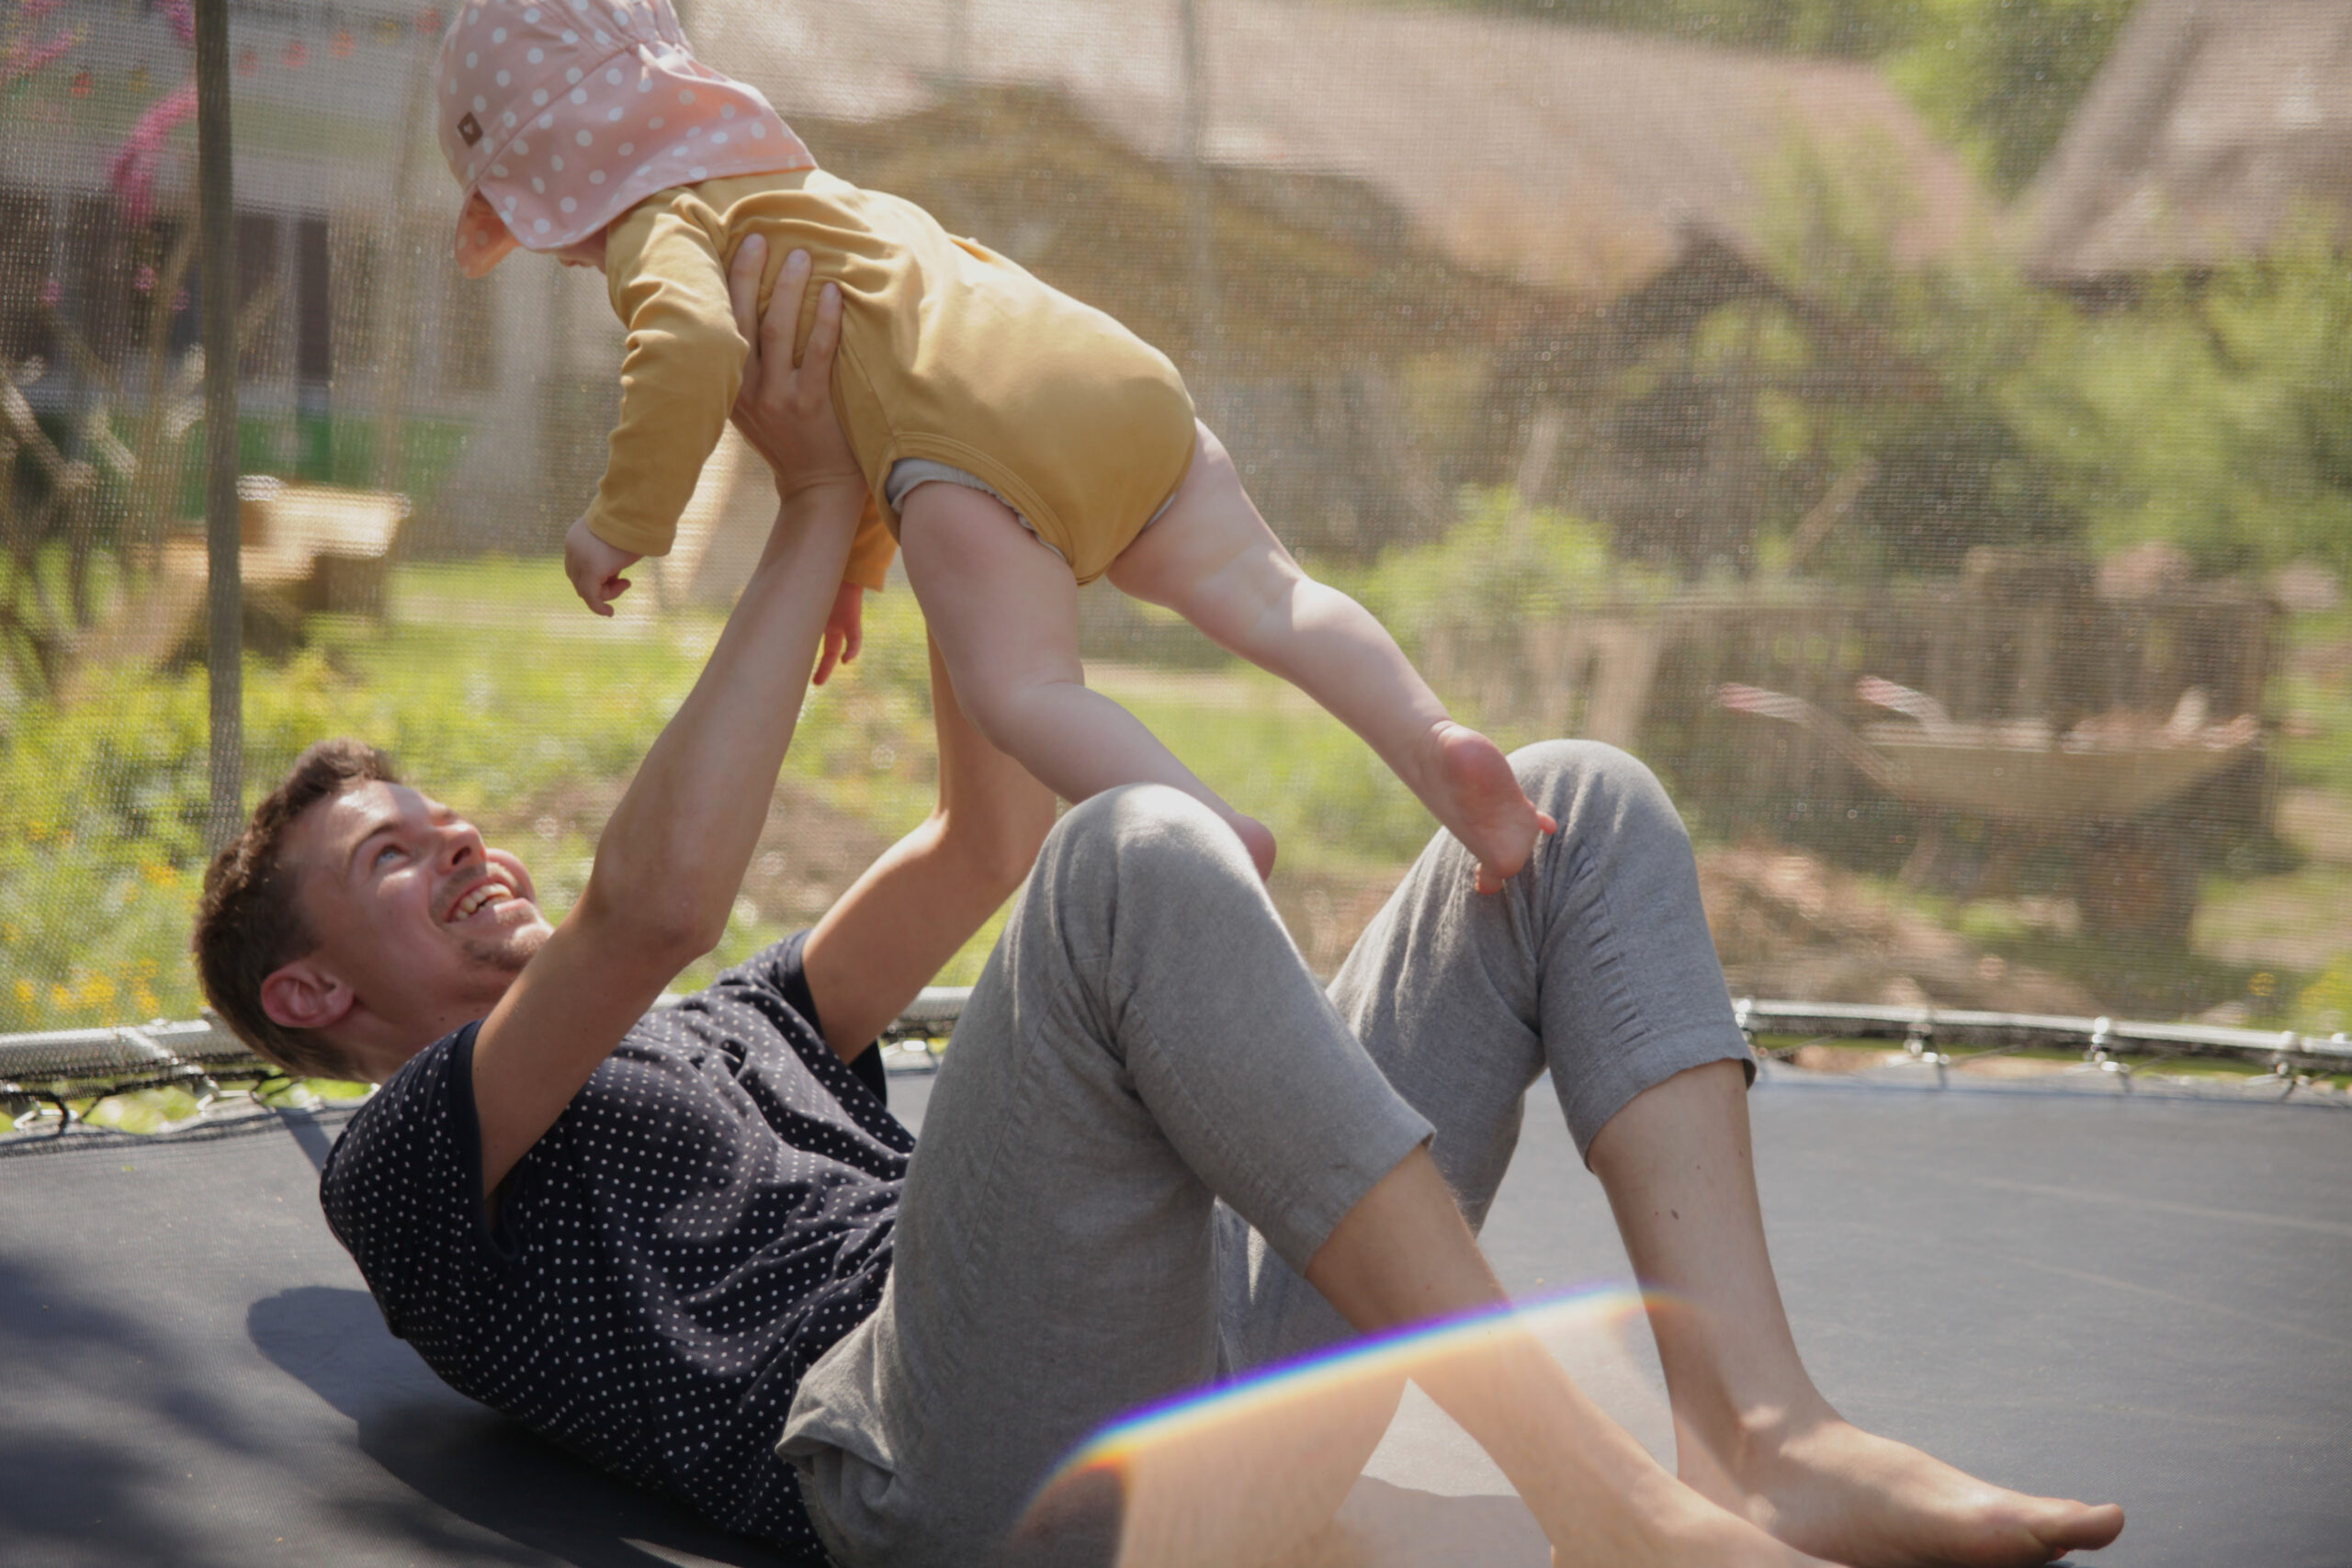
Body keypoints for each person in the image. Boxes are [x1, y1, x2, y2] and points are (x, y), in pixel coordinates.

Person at [191, 245, 2124, 1568]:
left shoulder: (739, 1034)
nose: (456, 842)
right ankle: (1602, 1500)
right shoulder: (413, 1165)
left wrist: (922, 459)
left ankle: (1759, 1429)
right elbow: (649, 905)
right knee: (1140, 853)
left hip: (1193, 1380)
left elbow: (978, 842)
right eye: (392, 855)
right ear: (308, 984)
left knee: (1571, 810)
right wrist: (797, 511)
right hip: (941, 1474)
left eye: (443, 815)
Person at [427, 0, 1551, 890]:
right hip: (1110, 375)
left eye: (533, 221)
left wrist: (620, 522)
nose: (556, 252)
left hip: (974, 454)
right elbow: (866, 371)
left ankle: (1210, 839)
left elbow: (690, 348)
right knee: (1274, 595)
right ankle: (1439, 746)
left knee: (1023, 694)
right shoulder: (806, 189)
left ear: (556, 169)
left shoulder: (657, 222)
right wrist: (860, 567)